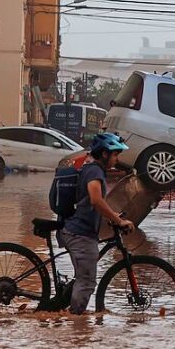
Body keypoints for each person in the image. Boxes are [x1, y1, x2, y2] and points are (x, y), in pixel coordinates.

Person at [59, 132, 135, 315]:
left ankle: (66, 311)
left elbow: (95, 203)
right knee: (86, 281)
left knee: (83, 278)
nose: (117, 160)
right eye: (115, 155)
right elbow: (95, 199)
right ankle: (76, 324)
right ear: (104, 154)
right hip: (80, 234)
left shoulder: (91, 169)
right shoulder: (94, 171)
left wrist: (113, 216)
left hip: (77, 231)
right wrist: (118, 220)